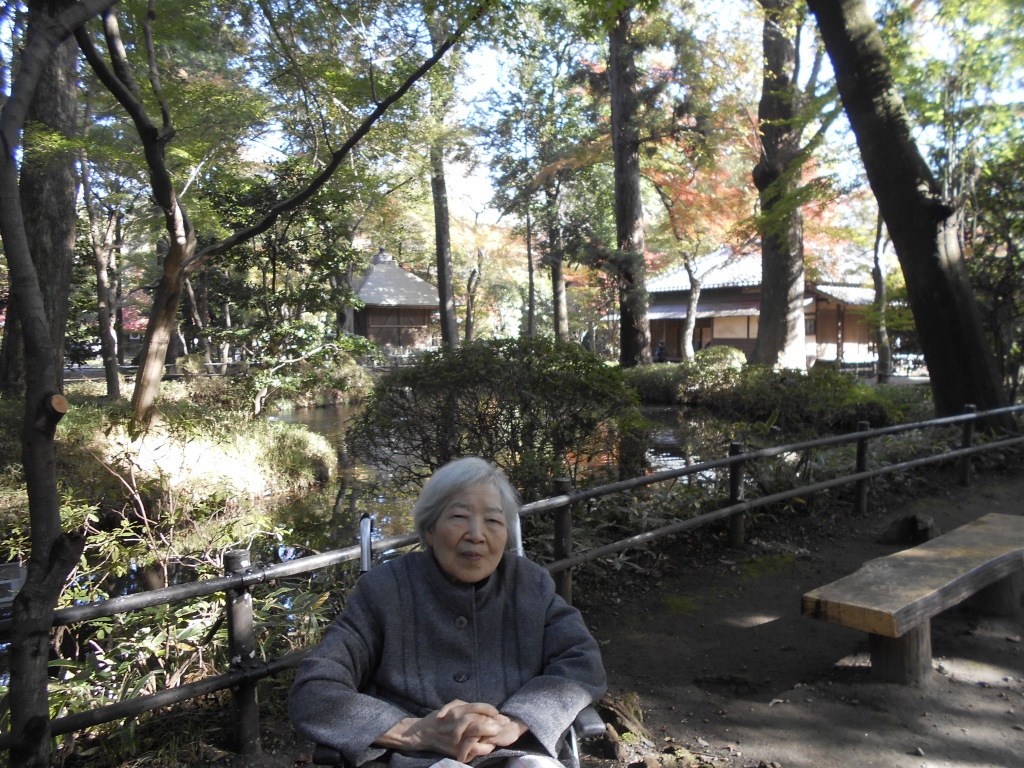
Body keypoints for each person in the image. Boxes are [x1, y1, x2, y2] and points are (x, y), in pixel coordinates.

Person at [290, 457, 606, 768]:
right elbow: (314, 690)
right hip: (414, 760)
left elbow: (581, 660)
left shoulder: (530, 585)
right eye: (459, 516)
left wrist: (516, 721)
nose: (476, 534)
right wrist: (414, 732)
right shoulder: (384, 590)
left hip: (517, 752)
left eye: (493, 521)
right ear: (430, 529)